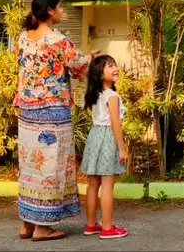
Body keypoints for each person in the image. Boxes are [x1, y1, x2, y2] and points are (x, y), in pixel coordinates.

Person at [14, 0, 98, 242]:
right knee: (50, 165)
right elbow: (79, 66)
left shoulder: (22, 38)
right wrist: (92, 56)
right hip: (52, 111)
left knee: (30, 166)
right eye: (61, 7)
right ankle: (43, 227)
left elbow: (21, 69)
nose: (64, 11)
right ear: (50, 10)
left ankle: (27, 224)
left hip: (27, 110)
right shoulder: (57, 40)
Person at [80, 54, 129, 240]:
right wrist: (122, 148)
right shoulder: (112, 96)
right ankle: (107, 228)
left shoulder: (97, 94)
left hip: (95, 136)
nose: (115, 68)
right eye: (110, 66)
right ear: (100, 74)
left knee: (93, 184)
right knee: (107, 185)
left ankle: (91, 225)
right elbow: (115, 123)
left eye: (115, 65)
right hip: (108, 137)